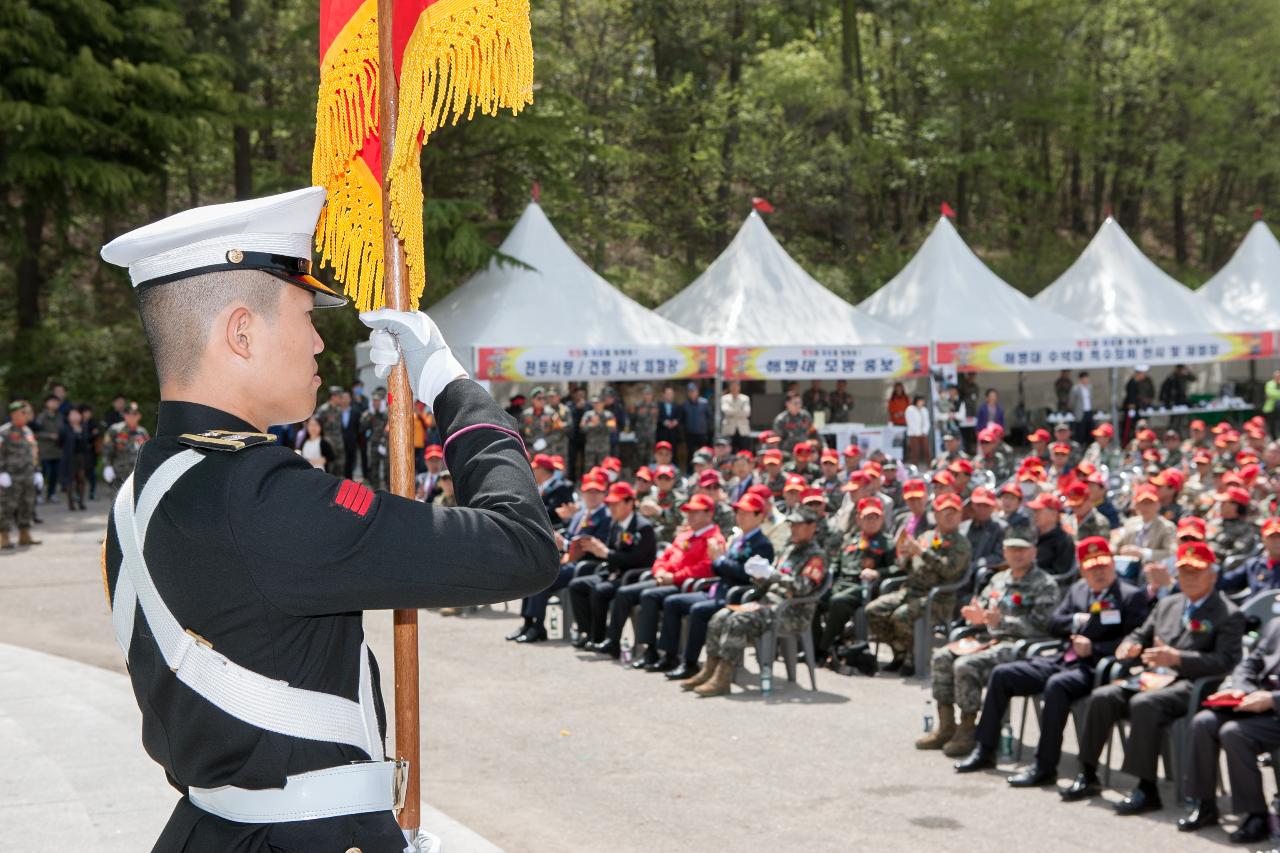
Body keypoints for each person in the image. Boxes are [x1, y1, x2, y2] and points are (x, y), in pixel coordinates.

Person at [97, 186, 558, 851]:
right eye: (306, 314)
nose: (318, 341)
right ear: (242, 332)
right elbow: (521, 546)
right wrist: (454, 392)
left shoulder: (141, 489)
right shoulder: (260, 496)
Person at [1061, 541, 1244, 814]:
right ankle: (1088, 772)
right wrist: (1129, 646)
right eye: (1184, 573)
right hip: (1155, 678)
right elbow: (1140, 634)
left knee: (1145, 704)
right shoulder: (1168, 603)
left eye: (1197, 572)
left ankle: (1146, 788)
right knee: (1102, 697)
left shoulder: (1227, 613)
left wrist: (1178, 658)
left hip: (1194, 684)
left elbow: (1226, 661)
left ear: (1213, 575)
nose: (1189, 579)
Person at [958, 537, 1149, 784]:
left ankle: (1045, 766)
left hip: (1097, 667)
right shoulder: (1079, 590)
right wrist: (1077, 621)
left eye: (1103, 566)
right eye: (1092, 567)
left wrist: (1095, 647)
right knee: (1003, 674)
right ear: (1083, 569)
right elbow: (1053, 624)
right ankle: (985, 749)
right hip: (1064, 658)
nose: (1099, 572)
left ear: (1113, 565)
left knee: (1057, 686)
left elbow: (1136, 639)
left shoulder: (1130, 596)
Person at [916, 536, 1057, 757]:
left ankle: (969, 728)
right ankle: (946, 725)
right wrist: (974, 616)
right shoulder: (998, 579)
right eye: (1011, 549)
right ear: (1004, 552)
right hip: (985, 639)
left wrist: (1000, 622)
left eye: (1022, 550)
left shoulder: (1044, 584)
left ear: (1033, 553)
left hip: (1017, 646)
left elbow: (1043, 626)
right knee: (942, 657)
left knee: (966, 665)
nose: (1017, 554)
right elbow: (981, 607)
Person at [683, 505, 828, 697]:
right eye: (792, 524)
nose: (794, 529)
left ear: (812, 527)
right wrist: (758, 575)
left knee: (737, 620)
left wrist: (772, 575)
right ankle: (710, 670)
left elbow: (803, 587)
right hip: (768, 604)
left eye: (799, 525)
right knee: (720, 616)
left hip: (791, 612)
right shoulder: (788, 549)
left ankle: (723, 677)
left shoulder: (816, 556)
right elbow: (770, 581)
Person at [656, 491, 775, 680]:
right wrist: (718, 562)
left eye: (746, 513)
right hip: (720, 590)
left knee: (698, 610)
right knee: (672, 602)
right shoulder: (738, 539)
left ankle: (690, 663)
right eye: (739, 512)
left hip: (737, 596)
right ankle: (670, 656)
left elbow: (748, 576)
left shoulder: (763, 544)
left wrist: (719, 560)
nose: (740, 517)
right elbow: (721, 567)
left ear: (759, 516)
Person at [1181, 616, 1280, 842]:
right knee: (1203, 722)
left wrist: (1272, 699)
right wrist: (1241, 689)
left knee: (1234, 733)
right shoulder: (1276, 624)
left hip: (1274, 708)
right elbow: (1250, 663)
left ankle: (1256, 815)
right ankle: (1204, 804)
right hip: (1257, 701)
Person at [592, 492, 723, 659]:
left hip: (685, 584)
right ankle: (614, 642)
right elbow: (664, 557)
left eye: (695, 512)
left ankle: (651, 651)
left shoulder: (713, 539)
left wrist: (674, 577)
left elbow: (705, 569)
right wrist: (660, 571)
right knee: (624, 592)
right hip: (667, 579)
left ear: (709, 514)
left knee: (649, 596)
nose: (690, 516)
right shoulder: (685, 534)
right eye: (689, 511)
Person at [866, 492, 971, 676]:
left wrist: (922, 552)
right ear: (936, 514)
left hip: (938, 598)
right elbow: (908, 565)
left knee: (901, 616)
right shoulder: (927, 536)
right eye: (945, 512)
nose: (950, 516)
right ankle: (900, 651)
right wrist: (905, 556)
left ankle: (913, 657)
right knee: (873, 610)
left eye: (954, 512)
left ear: (960, 516)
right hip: (909, 590)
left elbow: (949, 571)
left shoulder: (961, 543)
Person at [567, 481, 658, 647]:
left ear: (630, 503)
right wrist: (596, 550)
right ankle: (589, 632)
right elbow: (609, 551)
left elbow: (636, 559)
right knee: (577, 585)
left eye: (616, 503)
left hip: (632, 577)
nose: (612, 508)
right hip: (613, 573)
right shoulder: (616, 523)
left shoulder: (643, 527)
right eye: (610, 504)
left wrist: (606, 553)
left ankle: (603, 639)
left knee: (599, 591)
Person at [814, 497, 895, 665]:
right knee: (814, 600)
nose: (872, 522)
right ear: (858, 519)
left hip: (865, 587)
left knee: (838, 602)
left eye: (876, 517)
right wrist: (830, 575)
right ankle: (816, 645)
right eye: (868, 518)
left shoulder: (888, 543)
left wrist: (877, 573)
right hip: (841, 582)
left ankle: (821, 650)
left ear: (882, 519)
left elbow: (897, 569)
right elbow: (837, 562)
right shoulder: (850, 539)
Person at [0, 401, 42, 548]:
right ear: (14, 414)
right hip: (10, 476)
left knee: (27, 504)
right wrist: (2, 472)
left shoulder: (28, 431)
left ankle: (24, 534)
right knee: (7, 506)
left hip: (28, 475)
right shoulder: (4, 432)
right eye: (23, 413)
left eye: (27, 412)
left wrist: (37, 471)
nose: (26, 415)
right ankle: (3, 536)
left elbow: (34, 453)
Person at [102, 401, 150, 500]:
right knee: (117, 503)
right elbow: (107, 449)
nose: (131, 416)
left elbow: (148, 453)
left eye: (134, 414)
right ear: (124, 415)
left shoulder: (142, 432)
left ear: (139, 416)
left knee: (135, 505)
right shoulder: (115, 430)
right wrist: (107, 466)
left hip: (137, 474)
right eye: (129, 413)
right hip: (120, 474)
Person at [1026, 493, 1073, 577]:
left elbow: (1060, 571)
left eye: (1038, 511)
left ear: (1053, 514)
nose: (1034, 515)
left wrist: (1029, 574)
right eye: (1034, 511)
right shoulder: (1031, 535)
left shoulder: (1064, 540)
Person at [359, 387, 388, 489]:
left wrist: (383, 413)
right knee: (373, 469)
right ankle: (376, 491)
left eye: (377, 401)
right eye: (374, 401)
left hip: (387, 445)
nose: (375, 403)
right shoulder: (369, 413)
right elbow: (362, 427)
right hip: (374, 444)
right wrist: (370, 414)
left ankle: (390, 492)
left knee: (387, 470)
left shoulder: (388, 412)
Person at [34, 395, 62, 501]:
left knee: (54, 474)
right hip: (45, 450)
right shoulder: (42, 416)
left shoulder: (60, 416)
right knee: (43, 473)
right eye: (52, 402)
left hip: (57, 450)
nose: (55, 404)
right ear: (47, 403)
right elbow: (36, 432)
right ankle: (38, 494)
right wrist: (49, 436)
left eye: (56, 402)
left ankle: (51, 494)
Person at [579, 395, 617, 471]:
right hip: (591, 446)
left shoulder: (609, 415)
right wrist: (592, 425)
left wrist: (599, 424)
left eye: (598, 403)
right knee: (589, 468)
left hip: (603, 447)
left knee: (604, 468)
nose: (596, 405)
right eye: (594, 403)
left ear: (603, 403)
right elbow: (582, 427)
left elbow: (612, 429)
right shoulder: (588, 415)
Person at [314, 385, 346, 476]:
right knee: (329, 471)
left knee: (340, 470)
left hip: (339, 444)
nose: (341, 399)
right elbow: (316, 426)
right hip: (328, 446)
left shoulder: (339, 410)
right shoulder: (323, 410)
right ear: (333, 396)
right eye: (339, 397)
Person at [680, 383, 712, 469]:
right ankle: (690, 471)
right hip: (689, 433)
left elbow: (709, 417)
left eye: (694, 391)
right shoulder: (685, 404)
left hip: (702, 433)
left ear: (697, 392)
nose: (692, 393)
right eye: (690, 391)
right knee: (690, 454)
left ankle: (704, 469)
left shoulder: (704, 402)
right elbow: (682, 420)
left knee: (703, 453)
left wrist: (707, 430)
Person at [772, 392, 814, 456]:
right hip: (787, 452)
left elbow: (813, 432)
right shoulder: (781, 419)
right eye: (795, 403)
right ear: (787, 404)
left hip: (804, 450)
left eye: (800, 403)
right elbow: (776, 440)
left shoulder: (806, 416)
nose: (798, 405)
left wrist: (824, 447)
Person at [629, 385, 659, 466]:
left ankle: (650, 471)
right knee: (640, 454)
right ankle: (640, 471)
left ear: (652, 395)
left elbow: (658, 419)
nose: (648, 396)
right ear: (643, 395)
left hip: (651, 434)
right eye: (646, 394)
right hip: (640, 434)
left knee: (651, 454)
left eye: (649, 394)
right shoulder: (638, 405)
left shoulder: (655, 406)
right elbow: (632, 419)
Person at [720, 380, 752, 452]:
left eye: (736, 386)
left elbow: (747, 412)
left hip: (742, 430)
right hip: (729, 430)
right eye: (732, 386)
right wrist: (740, 410)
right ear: (730, 387)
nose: (734, 388)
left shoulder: (745, 398)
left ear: (739, 387)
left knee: (744, 451)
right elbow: (726, 411)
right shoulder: (724, 398)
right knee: (729, 451)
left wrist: (733, 411)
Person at [1069, 372, 1095, 444]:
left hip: (1089, 411)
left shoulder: (1090, 387)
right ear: (1081, 379)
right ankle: (1080, 447)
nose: (1086, 380)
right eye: (1085, 378)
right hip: (1080, 413)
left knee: (1090, 430)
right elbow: (1072, 401)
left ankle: (1089, 444)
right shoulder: (1076, 388)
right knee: (1080, 432)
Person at [904, 395, 929, 466]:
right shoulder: (910, 409)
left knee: (926, 450)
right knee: (915, 451)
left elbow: (926, 422)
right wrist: (917, 432)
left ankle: (929, 465)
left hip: (923, 434)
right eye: (920, 401)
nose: (922, 403)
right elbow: (910, 422)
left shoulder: (924, 410)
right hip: (913, 434)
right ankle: (914, 466)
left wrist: (924, 431)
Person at [1265, 368, 1280, 440]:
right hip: (1271, 408)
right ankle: (1273, 439)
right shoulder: (1270, 383)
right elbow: (1270, 393)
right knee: (1271, 425)